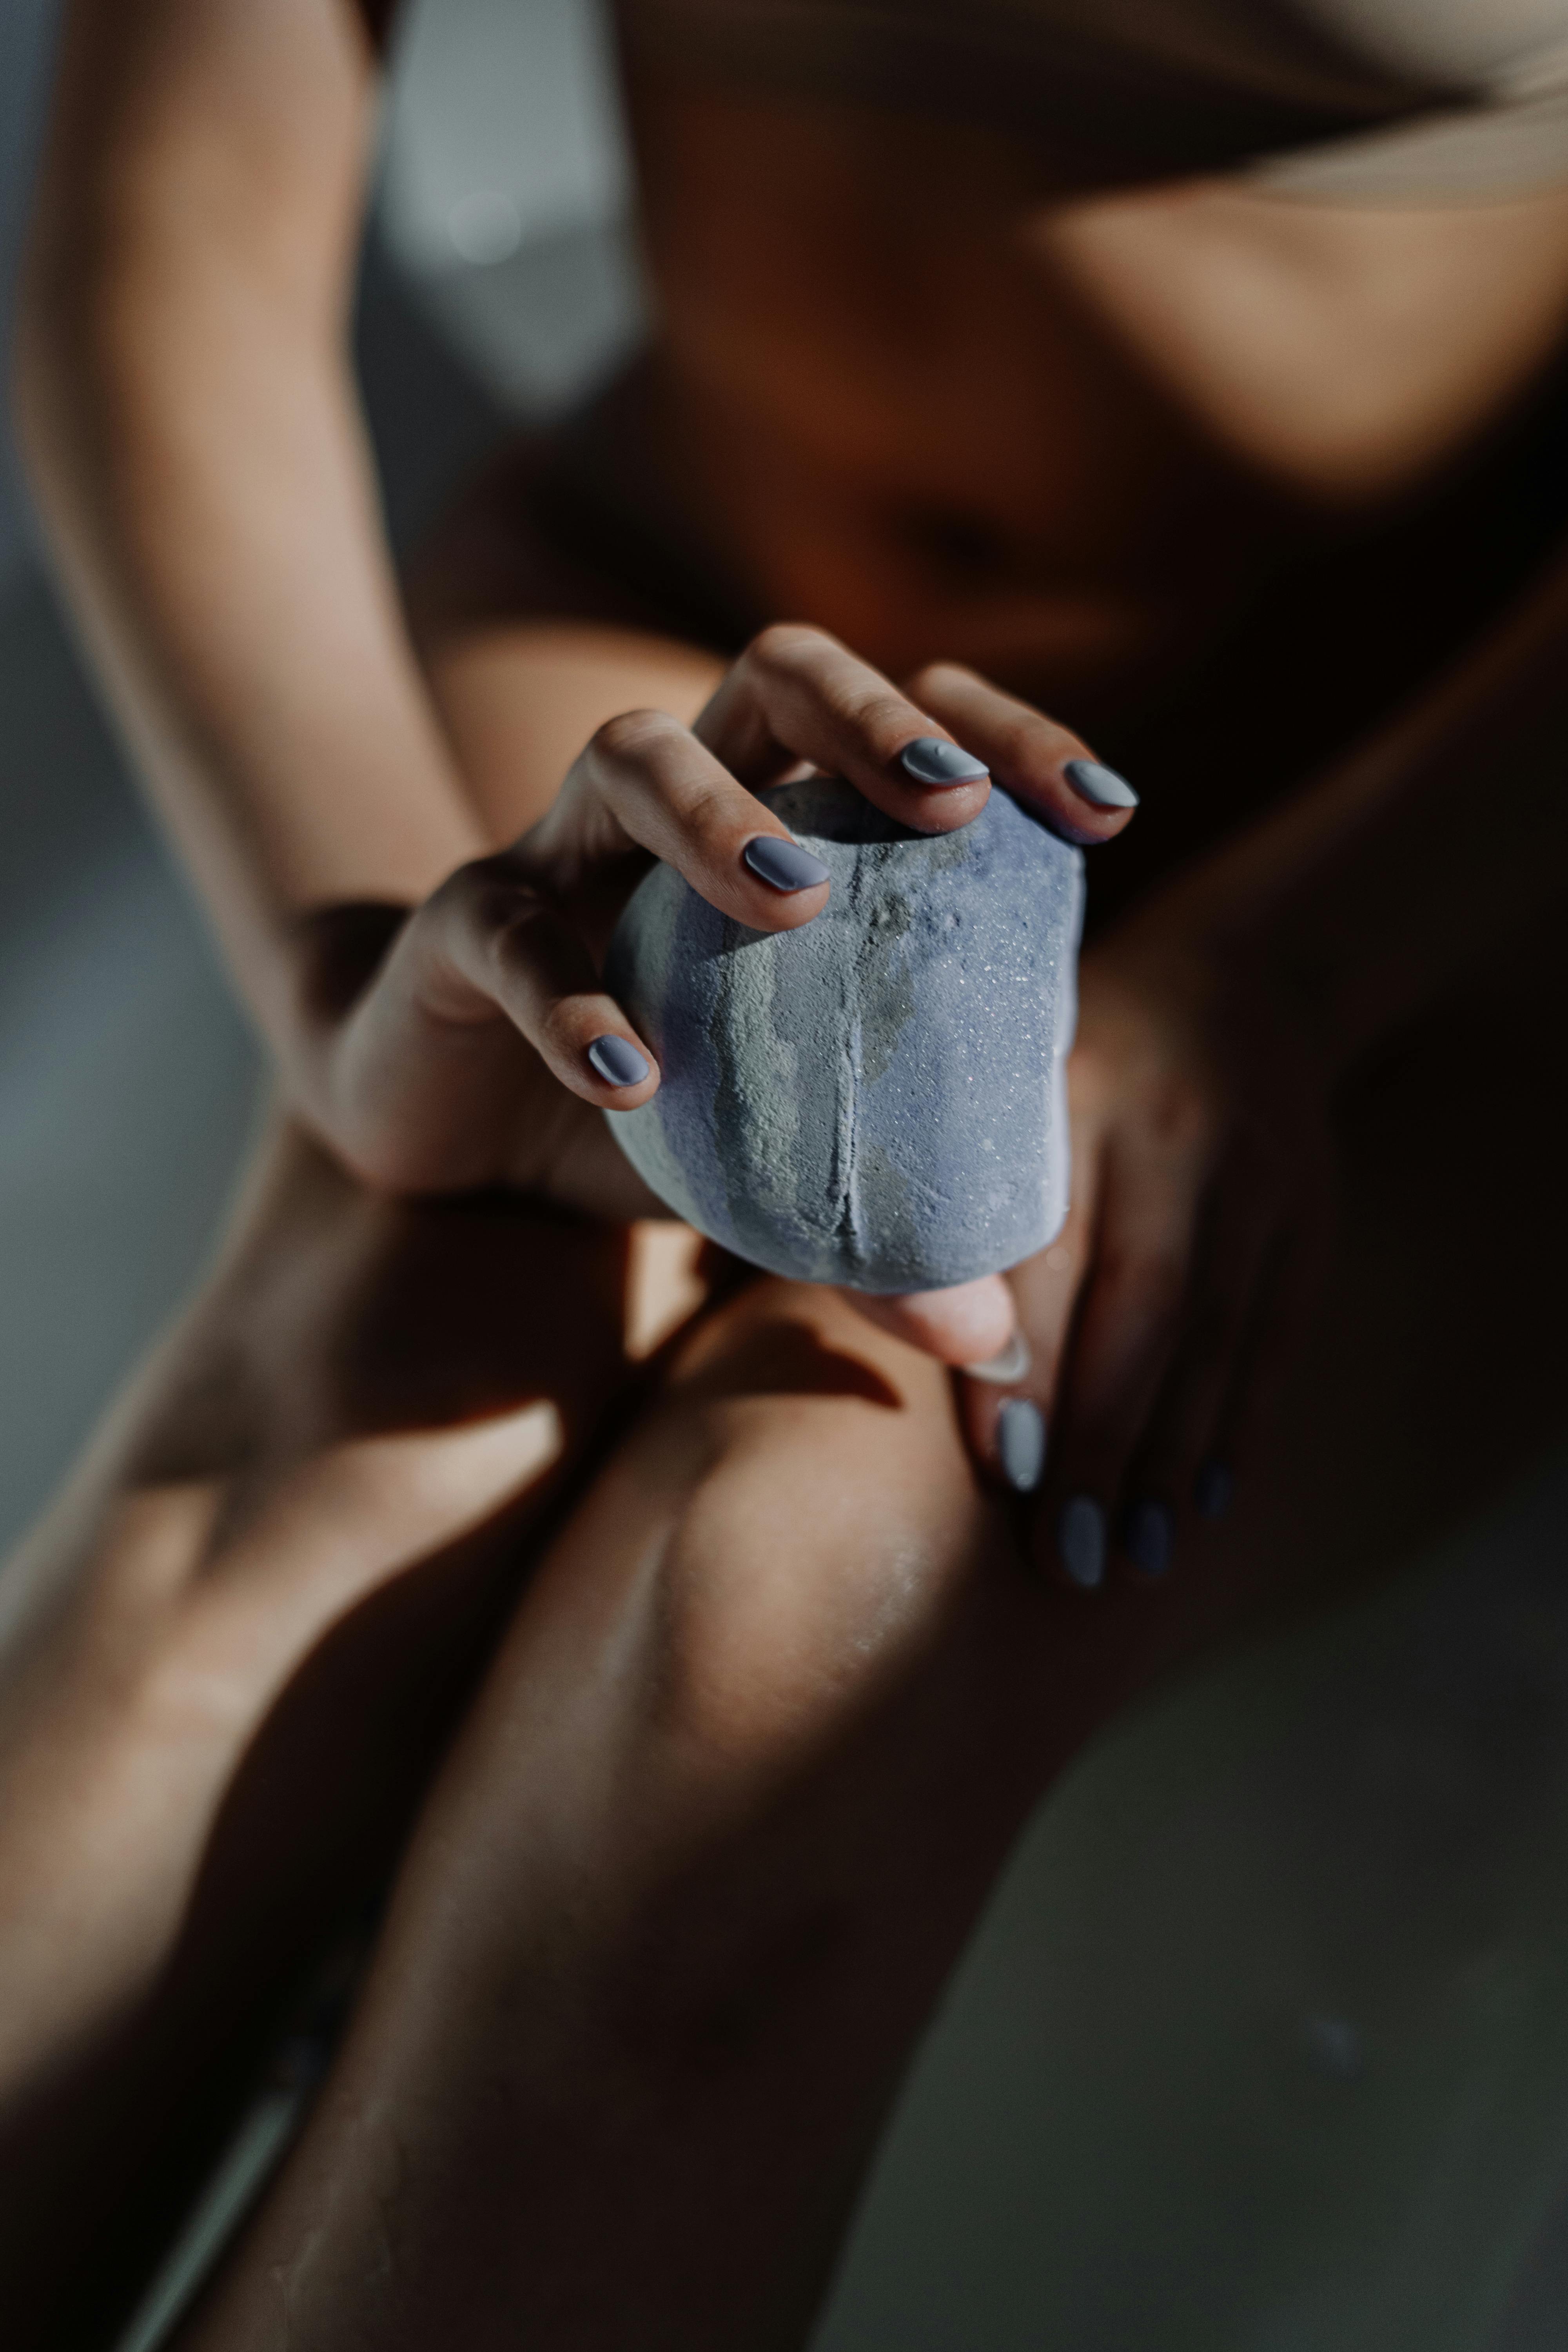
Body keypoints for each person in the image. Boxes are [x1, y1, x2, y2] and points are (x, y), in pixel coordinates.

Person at [6, 0, 1568, 2341]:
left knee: (783, 1610)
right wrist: (350, 985)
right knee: (367, 1389)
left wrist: (1298, 972)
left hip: (1439, 853)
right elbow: (184, 206)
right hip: (710, 660)